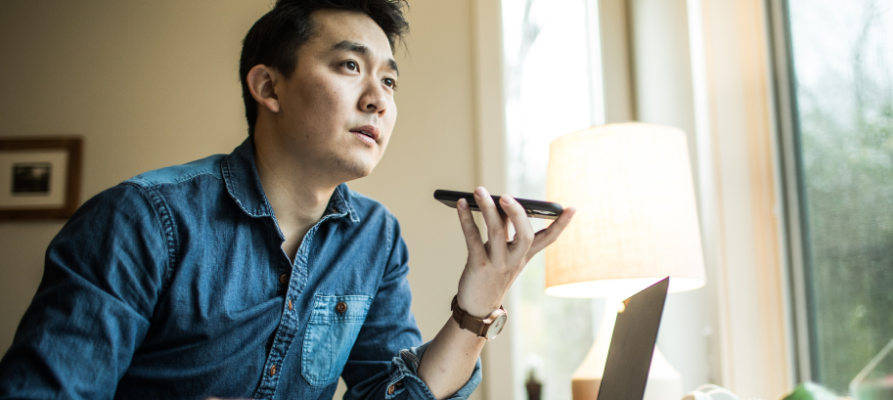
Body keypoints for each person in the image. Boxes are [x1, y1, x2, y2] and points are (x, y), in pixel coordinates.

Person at [0, 0, 576, 399]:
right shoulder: (141, 220)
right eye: (350, 66)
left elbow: (391, 394)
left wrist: (480, 302)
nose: (378, 99)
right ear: (268, 86)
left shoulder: (374, 238)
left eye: (390, 81)